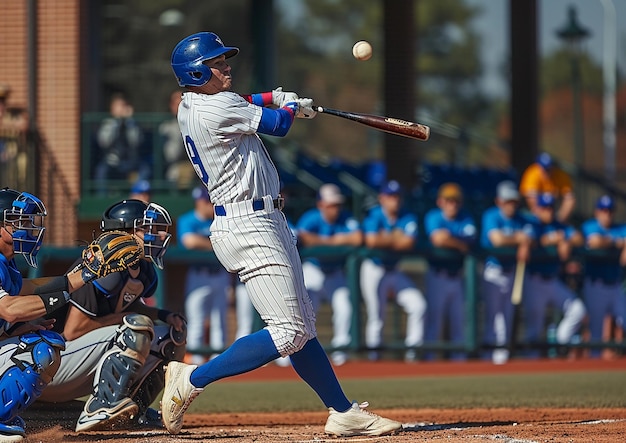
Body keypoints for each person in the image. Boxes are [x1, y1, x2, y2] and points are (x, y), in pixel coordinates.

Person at [161, 31, 401, 437]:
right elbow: (278, 126)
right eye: (217, 63)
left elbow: (248, 104)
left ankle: (342, 411)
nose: (226, 66)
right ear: (197, 72)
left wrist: (274, 96)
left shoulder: (192, 103)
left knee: (302, 326)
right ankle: (192, 379)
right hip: (249, 224)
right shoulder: (216, 107)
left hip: (261, 220)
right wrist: (288, 106)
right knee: (288, 331)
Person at [37, 198, 186, 432]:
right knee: (135, 328)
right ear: (123, 233)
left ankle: (133, 411)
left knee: (170, 337)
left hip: (79, 358)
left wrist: (162, 314)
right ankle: (101, 407)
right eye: (145, 228)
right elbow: (73, 331)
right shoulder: (101, 267)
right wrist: (126, 321)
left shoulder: (143, 270)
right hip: (49, 364)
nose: (154, 235)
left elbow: (125, 308)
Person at [0, 188, 132, 442]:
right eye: (18, 222)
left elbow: (30, 288)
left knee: (41, 338)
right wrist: (67, 291)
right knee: (39, 349)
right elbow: (10, 309)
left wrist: (81, 275)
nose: (27, 228)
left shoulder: (8, 265)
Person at [360, 180, 427, 362]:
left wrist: (386, 238)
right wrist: (396, 237)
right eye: (390, 196)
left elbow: (408, 242)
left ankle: (413, 354)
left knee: (418, 305)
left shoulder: (407, 216)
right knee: (377, 315)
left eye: (397, 196)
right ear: (382, 198)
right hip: (374, 268)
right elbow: (372, 241)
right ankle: (375, 358)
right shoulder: (375, 215)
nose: (394, 200)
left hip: (394, 270)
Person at [296, 183, 362, 366]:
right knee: (306, 311)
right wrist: (337, 241)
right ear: (321, 204)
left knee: (345, 307)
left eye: (337, 204)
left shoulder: (346, 218)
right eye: (331, 205)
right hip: (314, 270)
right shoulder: (312, 217)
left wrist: (322, 242)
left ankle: (340, 355)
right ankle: (298, 354)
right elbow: (303, 237)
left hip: (336, 273)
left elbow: (357, 238)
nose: (335, 209)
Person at [524, 193, 586, 358]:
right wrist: (555, 239)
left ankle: (561, 341)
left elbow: (580, 239)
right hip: (534, 280)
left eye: (551, 207)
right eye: (544, 207)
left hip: (552, 281)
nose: (548, 211)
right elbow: (532, 240)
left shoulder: (559, 224)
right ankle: (528, 366)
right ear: (538, 208)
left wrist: (566, 240)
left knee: (577, 309)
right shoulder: (533, 223)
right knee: (534, 329)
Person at [480, 180, 535, 364]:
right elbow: (496, 239)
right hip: (494, 272)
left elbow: (531, 236)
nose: (511, 205)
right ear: (499, 201)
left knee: (507, 318)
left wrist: (525, 242)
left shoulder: (522, 218)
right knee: (494, 318)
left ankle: (501, 361)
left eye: (514, 201)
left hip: (512, 272)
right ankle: (490, 359)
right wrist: (519, 239)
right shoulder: (491, 215)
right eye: (507, 201)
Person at [177, 185, 231, 364]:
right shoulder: (187, 220)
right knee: (196, 321)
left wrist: (208, 244)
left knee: (220, 321)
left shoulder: (219, 220)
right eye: (208, 202)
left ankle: (219, 361)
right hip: (198, 275)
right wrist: (216, 245)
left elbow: (230, 243)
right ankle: (195, 362)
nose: (211, 206)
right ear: (200, 202)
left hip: (220, 274)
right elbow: (189, 242)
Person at [423, 183, 476, 361]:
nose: (452, 204)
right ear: (440, 201)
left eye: (456, 200)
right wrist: (459, 244)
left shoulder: (465, 217)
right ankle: (429, 363)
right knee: (434, 323)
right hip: (437, 275)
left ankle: (459, 365)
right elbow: (438, 239)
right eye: (448, 200)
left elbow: (470, 239)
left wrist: (451, 240)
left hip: (457, 277)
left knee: (459, 324)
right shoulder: (434, 216)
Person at [580, 195, 626, 359]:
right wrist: (618, 243)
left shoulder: (620, 227)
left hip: (615, 285)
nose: (607, 214)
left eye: (610, 211)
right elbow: (595, 242)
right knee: (596, 332)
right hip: (595, 284)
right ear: (597, 212)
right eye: (603, 210)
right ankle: (593, 367)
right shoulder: (590, 226)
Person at [94, 92, 147, 195]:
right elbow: (104, 142)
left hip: (130, 162)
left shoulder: (132, 123)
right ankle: (102, 198)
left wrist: (130, 122)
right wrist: (117, 122)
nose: (122, 109)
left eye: (124, 106)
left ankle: (136, 196)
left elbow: (135, 142)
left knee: (145, 169)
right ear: (112, 109)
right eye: (119, 106)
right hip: (112, 163)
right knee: (101, 171)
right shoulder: (107, 124)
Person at [519, 152, 575, 223]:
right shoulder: (532, 174)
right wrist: (542, 216)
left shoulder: (561, 175)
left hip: (553, 208)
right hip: (533, 212)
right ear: (538, 166)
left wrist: (560, 218)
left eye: (549, 168)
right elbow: (531, 201)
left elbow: (570, 199)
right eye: (544, 168)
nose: (547, 171)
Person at [159, 90, 196, 189]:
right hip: (174, 167)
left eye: (183, 103)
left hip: (197, 164)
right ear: (171, 106)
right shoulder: (166, 127)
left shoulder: (196, 122)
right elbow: (171, 156)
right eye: (177, 103)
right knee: (185, 171)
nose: (181, 106)